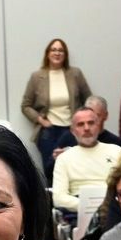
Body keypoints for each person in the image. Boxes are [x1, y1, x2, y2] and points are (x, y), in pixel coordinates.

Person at [20, 37, 94, 180]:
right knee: (51, 171)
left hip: (73, 130)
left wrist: (82, 119)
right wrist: (41, 120)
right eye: (53, 50)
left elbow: (89, 100)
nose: (57, 53)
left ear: (65, 54)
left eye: (61, 50)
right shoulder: (37, 77)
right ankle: (52, 202)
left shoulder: (75, 74)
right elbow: (25, 105)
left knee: (75, 169)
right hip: (49, 132)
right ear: (48, 53)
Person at [50, 106, 119, 213]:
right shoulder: (64, 158)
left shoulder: (116, 151)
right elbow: (58, 198)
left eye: (91, 123)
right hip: (80, 211)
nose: (86, 128)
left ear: (99, 126)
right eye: (80, 124)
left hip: (113, 208)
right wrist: (90, 206)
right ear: (72, 131)